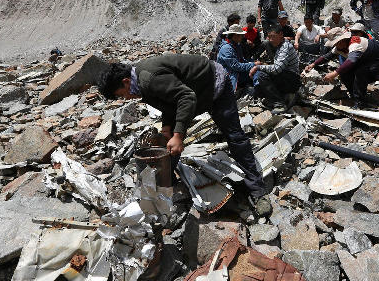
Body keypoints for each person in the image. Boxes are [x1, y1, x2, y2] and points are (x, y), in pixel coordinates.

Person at [97, 54, 267, 202]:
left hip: (215, 85)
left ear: (126, 82)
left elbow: (186, 98)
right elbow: (169, 101)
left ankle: (256, 188)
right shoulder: (140, 81)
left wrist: (178, 135)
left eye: (122, 94)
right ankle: (168, 185)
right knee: (168, 141)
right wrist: (167, 129)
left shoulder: (149, 79)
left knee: (234, 136)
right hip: (195, 92)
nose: (126, 98)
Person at [309, 30, 379, 108]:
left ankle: (360, 102)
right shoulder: (339, 47)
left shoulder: (355, 44)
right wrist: (313, 64)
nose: (336, 45)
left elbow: (351, 60)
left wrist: (335, 73)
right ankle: (354, 95)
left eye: (337, 43)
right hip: (366, 62)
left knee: (360, 72)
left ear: (343, 40)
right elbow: (326, 57)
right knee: (344, 73)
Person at [250, 25, 301, 112]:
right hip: (286, 77)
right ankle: (277, 98)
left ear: (280, 34)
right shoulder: (279, 46)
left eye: (272, 36)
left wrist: (258, 67)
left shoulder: (285, 47)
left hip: (292, 80)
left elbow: (277, 69)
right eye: (269, 37)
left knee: (262, 75)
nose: (270, 40)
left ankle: (279, 104)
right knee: (259, 87)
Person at [217, 24, 258, 95]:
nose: (242, 37)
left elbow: (242, 60)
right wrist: (253, 65)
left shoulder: (236, 45)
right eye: (241, 35)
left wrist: (252, 64)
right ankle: (257, 89)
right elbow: (236, 66)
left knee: (256, 70)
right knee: (256, 72)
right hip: (229, 75)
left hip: (236, 73)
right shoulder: (226, 49)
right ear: (235, 36)